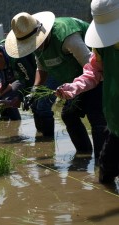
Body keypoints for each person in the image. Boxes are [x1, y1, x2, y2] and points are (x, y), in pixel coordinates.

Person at [4, 11, 107, 158]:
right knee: (68, 114)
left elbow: (93, 70)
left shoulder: (67, 37)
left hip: (97, 75)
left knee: (96, 118)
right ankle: (84, 155)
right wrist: (34, 91)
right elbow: (42, 68)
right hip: (75, 79)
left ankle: (101, 166)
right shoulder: (36, 45)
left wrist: (76, 89)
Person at [55, 0, 119, 184]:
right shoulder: (101, 45)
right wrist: (74, 88)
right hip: (115, 123)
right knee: (105, 174)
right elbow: (93, 72)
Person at [0, 44, 36, 120]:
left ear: (0, 56)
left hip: (40, 72)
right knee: (6, 97)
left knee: (38, 106)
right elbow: (4, 82)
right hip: (23, 77)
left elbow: (30, 80)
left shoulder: (16, 57)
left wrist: (19, 98)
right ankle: (15, 124)